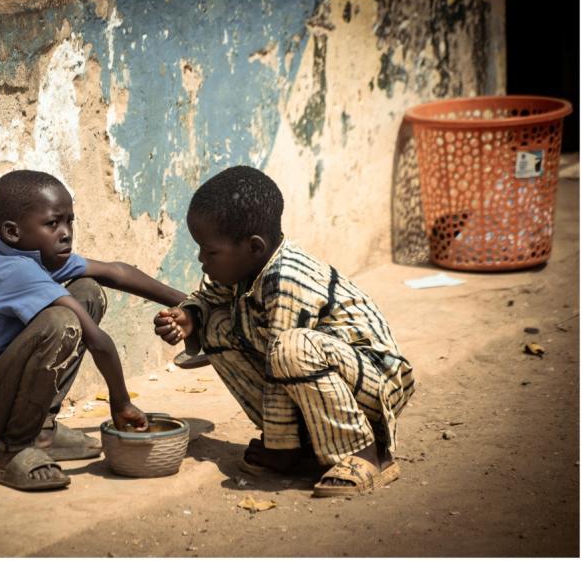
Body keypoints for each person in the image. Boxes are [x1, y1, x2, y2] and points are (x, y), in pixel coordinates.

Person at [153, 165, 415, 497]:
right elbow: (209, 297)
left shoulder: (288, 279)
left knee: (291, 349)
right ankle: (308, 446)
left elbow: (281, 365)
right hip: (326, 373)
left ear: (254, 247)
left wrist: (279, 450)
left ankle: (367, 453)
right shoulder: (246, 269)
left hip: (378, 381)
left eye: (211, 251)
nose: (202, 259)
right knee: (217, 326)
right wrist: (190, 316)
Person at [0, 170, 187, 491]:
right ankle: (11, 452)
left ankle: (41, 432)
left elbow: (117, 272)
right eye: (52, 224)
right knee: (63, 323)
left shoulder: (36, 256)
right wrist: (121, 402)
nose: (66, 233)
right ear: (13, 232)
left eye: (70, 221)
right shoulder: (15, 272)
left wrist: (192, 304)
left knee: (88, 291)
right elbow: (98, 341)